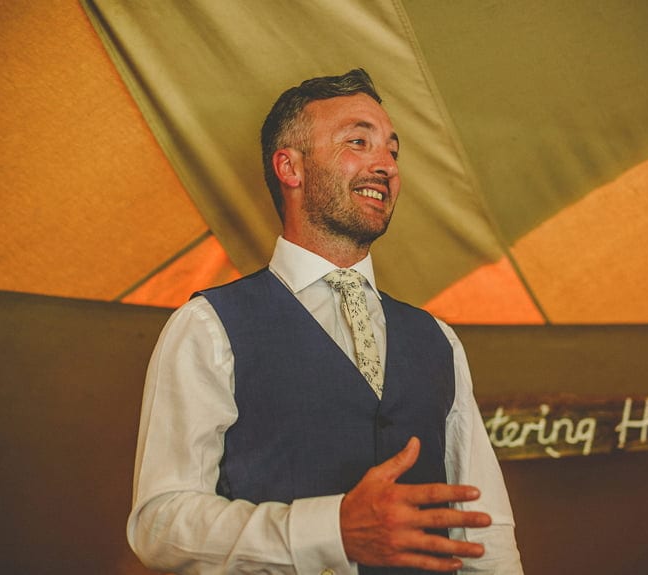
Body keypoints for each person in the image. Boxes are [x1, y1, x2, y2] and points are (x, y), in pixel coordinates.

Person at [127, 69, 524, 574]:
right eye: (359, 142)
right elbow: (160, 524)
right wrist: (330, 529)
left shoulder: (437, 339)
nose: (386, 166)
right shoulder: (208, 326)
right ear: (290, 167)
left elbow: (483, 529)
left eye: (393, 151)